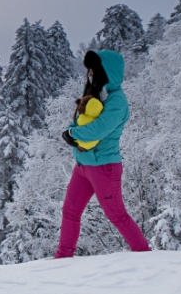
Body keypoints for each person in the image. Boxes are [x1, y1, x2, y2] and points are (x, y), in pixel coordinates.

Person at [53, 49, 151, 258]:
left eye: (93, 70)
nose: (90, 74)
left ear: (106, 72)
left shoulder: (117, 101)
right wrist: (70, 130)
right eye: (89, 70)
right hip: (83, 165)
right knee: (70, 211)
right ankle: (63, 257)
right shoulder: (93, 93)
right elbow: (79, 120)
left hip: (104, 167)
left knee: (117, 215)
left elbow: (99, 129)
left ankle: (145, 255)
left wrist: (72, 134)